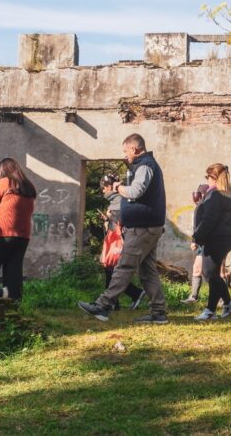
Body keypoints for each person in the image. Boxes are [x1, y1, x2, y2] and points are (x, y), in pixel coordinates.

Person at [79, 133, 169, 324]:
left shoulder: (145, 166)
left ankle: (103, 305)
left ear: (134, 149)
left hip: (142, 227)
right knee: (147, 271)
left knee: (124, 266)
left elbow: (136, 191)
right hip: (147, 226)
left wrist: (118, 188)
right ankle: (159, 313)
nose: (125, 155)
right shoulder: (144, 165)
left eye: (126, 151)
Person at [0, 158, 37, 301]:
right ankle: (14, 303)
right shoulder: (28, 188)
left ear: (3, 170)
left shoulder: (4, 183)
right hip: (22, 236)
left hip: (1, 233)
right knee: (13, 270)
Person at [191, 163, 231, 321]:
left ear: (214, 178)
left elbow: (208, 220)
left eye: (208, 177)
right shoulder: (228, 195)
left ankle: (210, 311)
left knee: (209, 273)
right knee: (212, 273)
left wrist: (197, 238)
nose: (207, 180)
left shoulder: (214, 195)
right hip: (225, 238)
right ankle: (228, 303)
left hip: (215, 238)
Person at [97, 173, 144, 310]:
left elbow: (120, 224)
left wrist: (110, 220)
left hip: (119, 243)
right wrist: (107, 220)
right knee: (110, 270)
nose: (103, 192)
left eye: (104, 189)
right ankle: (114, 303)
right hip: (117, 241)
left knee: (113, 271)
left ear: (109, 187)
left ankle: (134, 294)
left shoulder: (118, 203)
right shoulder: (116, 202)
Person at [183, 183, 210, 304]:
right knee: (197, 269)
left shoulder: (206, 206)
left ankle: (223, 298)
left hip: (209, 242)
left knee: (215, 272)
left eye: (200, 193)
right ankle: (193, 297)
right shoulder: (201, 206)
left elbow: (201, 226)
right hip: (203, 243)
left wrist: (195, 240)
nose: (197, 196)